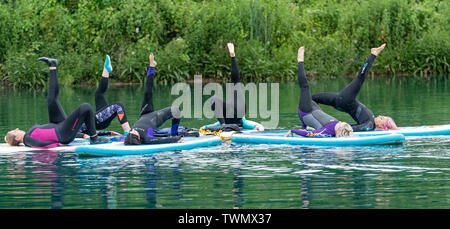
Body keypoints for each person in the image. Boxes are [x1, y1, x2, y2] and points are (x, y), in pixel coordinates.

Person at [4, 57, 109, 148]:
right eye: (14, 131)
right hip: (63, 134)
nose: (17, 128)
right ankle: (94, 138)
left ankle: (52, 65)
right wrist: (58, 144)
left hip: (58, 125)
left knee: (51, 100)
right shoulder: (27, 139)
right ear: (17, 137)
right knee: (85, 107)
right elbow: (42, 145)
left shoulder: (28, 136)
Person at [311, 43, 398, 131]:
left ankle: (374, 54)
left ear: (381, 127)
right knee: (312, 99)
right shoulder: (370, 122)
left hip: (346, 99)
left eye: (382, 119)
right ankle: (311, 123)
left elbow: (351, 128)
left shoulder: (369, 125)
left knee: (361, 77)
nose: (379, 116)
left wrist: (336, 128)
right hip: (340, 101)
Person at [285, 46, 353, 138]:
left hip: (306, 111)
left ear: (338, 130)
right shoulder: (338, 126)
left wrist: (293, 131)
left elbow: (310, 134)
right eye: (342, 123)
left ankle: (300, 60)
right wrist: (304, 127)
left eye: (340, 125)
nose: (340, 123)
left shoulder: (327, 132)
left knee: (305, 87)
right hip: (314, 109)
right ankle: (304, 125)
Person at [201, 43, 264, 131]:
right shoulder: (225, 117)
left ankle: (232, 55)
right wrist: (205, 127)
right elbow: (214, 124)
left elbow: (257, 127)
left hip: (238, 113)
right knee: (234, 85)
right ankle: (232, 55)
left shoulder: (242, 122)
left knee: (232, 85)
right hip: (235, 112)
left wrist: (256, 128)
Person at [124, 53, 183, 145]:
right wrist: (176, 138)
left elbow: (127, 139)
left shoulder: (129, 136)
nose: (133, 131)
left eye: (131, 132)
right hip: (155, 119)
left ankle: (152, 66)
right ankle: (174, 133)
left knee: (148, 92)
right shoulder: (147, 139)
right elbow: (161, 141)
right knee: (177, 110)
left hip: (144, 113)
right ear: (138, 137)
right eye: (133, 133)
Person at [77, 55, 131, 137]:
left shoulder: (70, 124)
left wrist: (110, 133)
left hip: (97, 120)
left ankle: (106, 69)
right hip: (98, 121)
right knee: (118, 106)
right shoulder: (70, 129)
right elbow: (77, 134)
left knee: (98, 94)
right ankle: (128, 133)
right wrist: (83, 136)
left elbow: (94, 132)